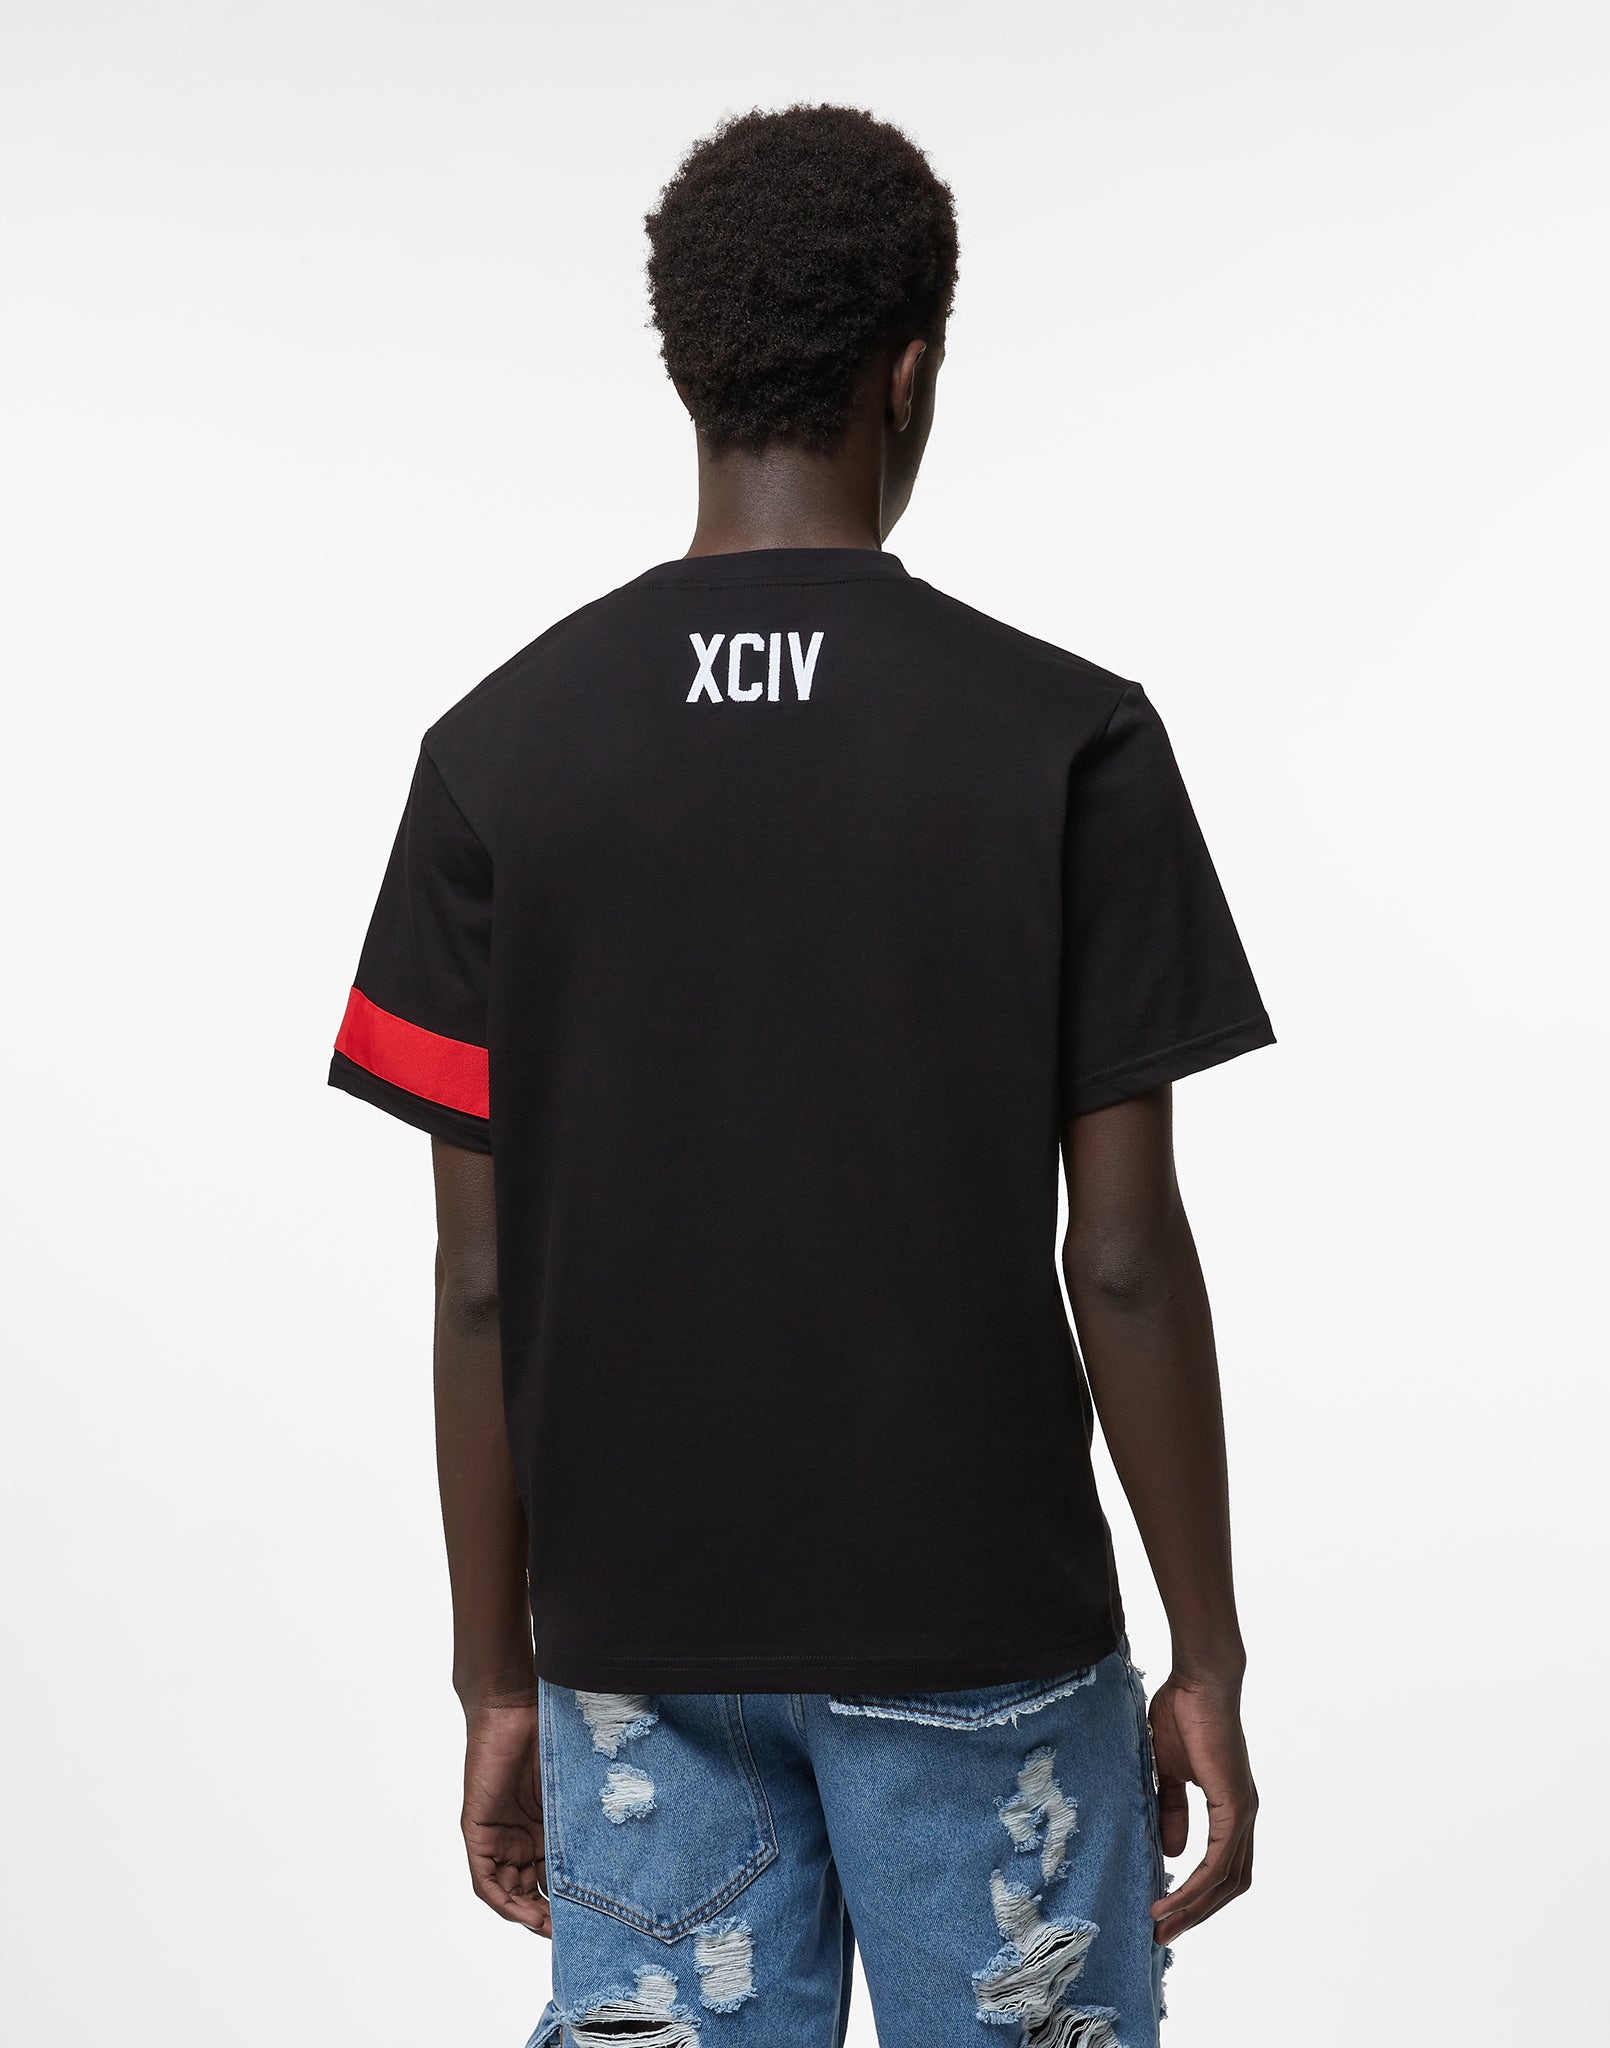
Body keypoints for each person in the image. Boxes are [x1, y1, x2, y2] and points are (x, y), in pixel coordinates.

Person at [329, 102, 1274, 2048]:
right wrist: (1208, 1652)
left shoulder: (497, 756)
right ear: (907, 372)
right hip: (984, 1630)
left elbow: (479, 1283)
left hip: (635, 1645)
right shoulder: (1068, 740)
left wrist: (496, 1677)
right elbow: (1121, 1255)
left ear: (689, 369)